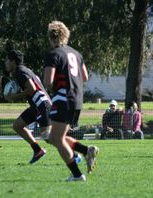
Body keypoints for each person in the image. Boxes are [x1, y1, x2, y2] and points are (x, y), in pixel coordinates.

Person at [43, 21, 98, 182]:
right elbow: (85, 77)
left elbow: (48, 81)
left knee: (56, 139)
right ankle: (86, 150)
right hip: (77, 99)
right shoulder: (76, 53)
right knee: (54, 137)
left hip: (63, 98)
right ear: (65, 35)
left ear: (50, 37)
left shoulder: (53, 54)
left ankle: (76, 174)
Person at [4, 50, 51, 164]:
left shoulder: (20, 71)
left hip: (42, 105)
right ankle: (37, 150)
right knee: (17, 126)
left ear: (13, 61)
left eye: (7, 60)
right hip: (36, 106)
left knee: (48, 137)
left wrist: (14, 97)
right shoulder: (24, 70)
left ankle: (77, 152)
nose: (5, 63)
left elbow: (32, 89)